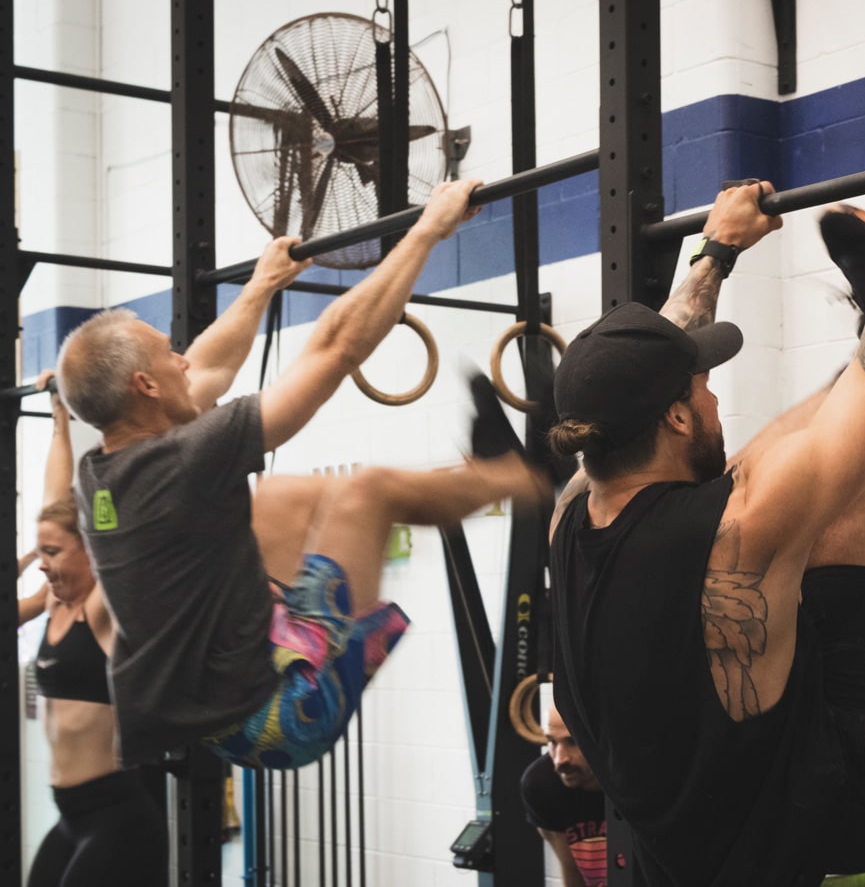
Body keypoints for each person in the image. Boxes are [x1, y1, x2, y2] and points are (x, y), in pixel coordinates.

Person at [545, 112, 865, 885]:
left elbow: (636, 371)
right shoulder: (734, 525)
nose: (713, 404)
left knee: (780, 468)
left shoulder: (576, 505)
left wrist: (716, 251)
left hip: (704, 819)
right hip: (851, 796)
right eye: (703, 391)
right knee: (849, 487)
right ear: (674, 415)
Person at [55, 179, 551, 771]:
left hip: (224, 694)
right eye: (169, 353)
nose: (183, 357)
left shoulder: (100, 473)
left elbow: (208, 365)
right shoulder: (183, 461)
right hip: (282, 715)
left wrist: (262, 285)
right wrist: (427, 231)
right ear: (146, 385)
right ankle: (527, 478)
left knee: (282, 498)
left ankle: (470, 481)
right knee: (370, 491)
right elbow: (335, 348)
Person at [17, 372, 168, 886]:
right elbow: (55, 497)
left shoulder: (100, 607)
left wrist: (129, 424)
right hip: (71, 816)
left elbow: (104, 524)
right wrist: (60, 414)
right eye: (41, 554)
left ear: (89, 552)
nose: (44, 564)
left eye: (53, 554)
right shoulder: (50, 604)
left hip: (117, 817)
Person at [520, 697, 606, 887]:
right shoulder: (541, 786)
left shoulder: (634, 782)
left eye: (572, 742)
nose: (559, 760)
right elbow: (573, 874)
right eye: (552, 741)